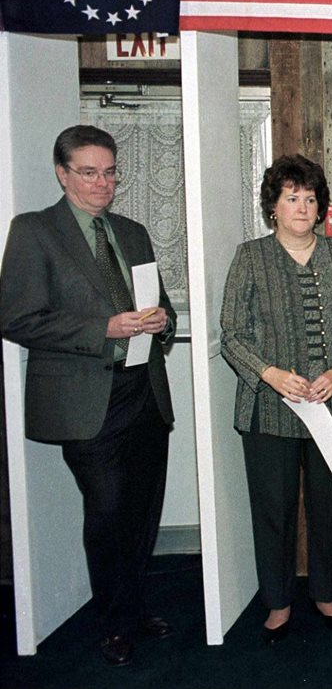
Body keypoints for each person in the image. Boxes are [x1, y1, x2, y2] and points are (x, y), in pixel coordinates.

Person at [0, 125, 176, 667]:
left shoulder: (133, 230)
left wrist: (162, 322)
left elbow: (156, 302)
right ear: (63, 174)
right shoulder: (34, 231)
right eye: (89, 172)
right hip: (84, 399)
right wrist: (104, 327)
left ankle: (134, 604)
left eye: (110, 171)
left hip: (143, 390)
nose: (103, 183)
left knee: (143, 511)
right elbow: (18, 317)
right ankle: (114, 622)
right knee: (107, 512)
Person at [220, 155, 332, 645]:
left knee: (329, 507)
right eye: (292, 198)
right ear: (273, 207)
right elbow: (231, 333)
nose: (303, 207)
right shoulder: (250, 257)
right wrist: (270, 374)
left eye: (310, 198)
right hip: (269, 410)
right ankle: (278, 603)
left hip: (331, 407)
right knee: (274, 510)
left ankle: (326, 594)